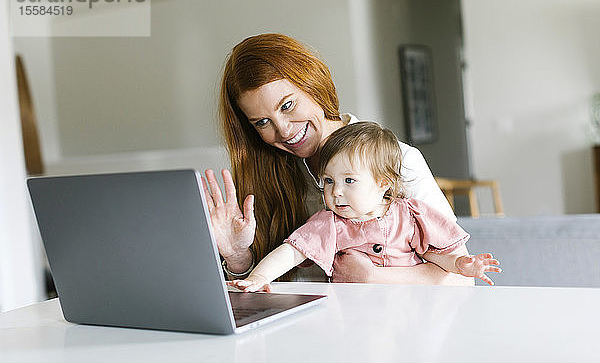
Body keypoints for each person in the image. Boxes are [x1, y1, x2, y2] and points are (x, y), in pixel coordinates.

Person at [202, 33, 473, 284]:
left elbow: (462, 279)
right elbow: (259, 289)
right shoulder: (267, 173)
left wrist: (373, 277)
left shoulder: (400, 160)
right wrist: (238, 258)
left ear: (314, 85)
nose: (283, 130)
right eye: (262, 122)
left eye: (287, 105)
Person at [229, 122, 501, 291]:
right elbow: (292, 252)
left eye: (349, 180)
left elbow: (434, 253)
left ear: (383, 183)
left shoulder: (410, 214)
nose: (336, 192)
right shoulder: (330, 223)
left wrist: (459, 264)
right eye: (328, 181)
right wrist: (259, 277)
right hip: (353, 316)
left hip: (411, 311)